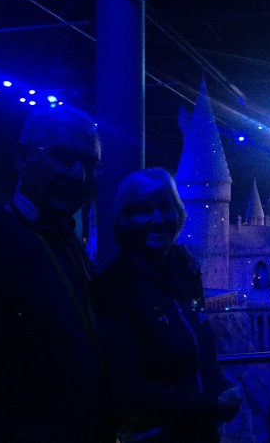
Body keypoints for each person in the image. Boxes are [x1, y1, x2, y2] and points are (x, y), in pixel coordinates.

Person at [0, 109, 116, 442]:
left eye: (89, 163)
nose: (78, 175)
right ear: (22, 158)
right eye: (62, 156)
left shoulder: (69, 243)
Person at [95, 168, 242, 443]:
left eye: (165, 207)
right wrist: (211, 406)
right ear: (125, 219)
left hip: (203, 433)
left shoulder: (187, 273)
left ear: (178, 212)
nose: (157, 219)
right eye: (143, 210)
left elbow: (199, 332)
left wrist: (219, 389)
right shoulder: (114, 289)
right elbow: (129, 392)